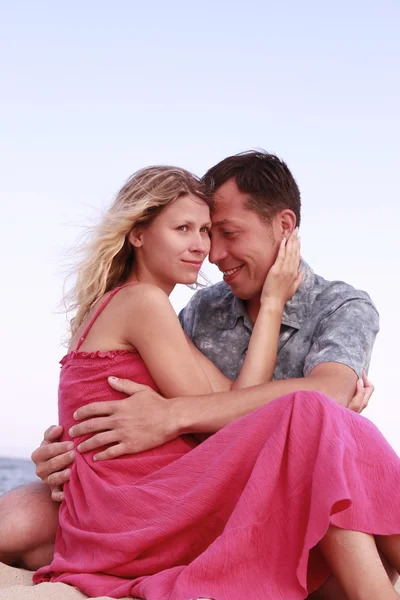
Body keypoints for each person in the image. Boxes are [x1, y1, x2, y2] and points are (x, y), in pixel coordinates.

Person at [1, 155, 400, 599]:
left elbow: (263, 399)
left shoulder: (341, 306)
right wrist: (61, 447)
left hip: (232, 497)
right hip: (157, 503)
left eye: (216, 232)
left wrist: (172, 414)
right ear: (137, 233)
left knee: (322, 426)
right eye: (185, 230)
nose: (208, 250)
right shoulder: (166, 306)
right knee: (319, 420)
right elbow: (254, 411)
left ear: (284, 227)